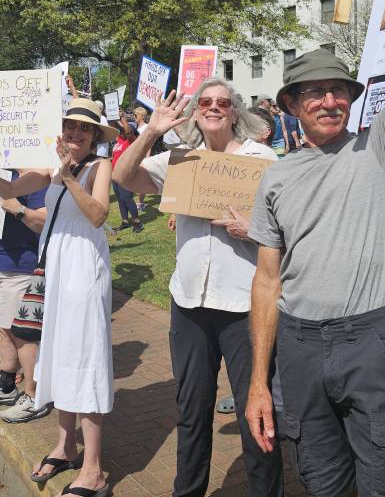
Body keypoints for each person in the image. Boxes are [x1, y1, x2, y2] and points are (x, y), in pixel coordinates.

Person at [246, 0, 385, 497]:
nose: (329, 101)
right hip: (298, 347)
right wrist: (258, 381)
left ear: (351, 99)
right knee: (322, 483)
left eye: (338, 90)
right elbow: (267, 283)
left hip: (373, 341)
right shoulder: (275, 176)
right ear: (292, 107)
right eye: (313, 93)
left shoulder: (380, 148)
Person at [114, 79, 283, 497]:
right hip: (189, 302)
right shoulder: (181, 159)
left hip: (245, 306)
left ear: (234, 111)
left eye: (222, 103)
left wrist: (250, 230)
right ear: (195, 111)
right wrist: (152, 130)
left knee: (256, 414)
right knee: (192, 410)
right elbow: (123, 176)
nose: (213, 108)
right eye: (205, 102)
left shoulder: (260, 158)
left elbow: (286, 223)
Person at [0, 98, 115, 496]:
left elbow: (99, 214)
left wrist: (69, 178)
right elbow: (12, 189)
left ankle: (94, 469)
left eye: (83, 129)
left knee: (85, 361)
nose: (75, 133)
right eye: (70, 127)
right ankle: (66, 445)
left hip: (84, 273)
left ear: (94, 136)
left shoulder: (97, 167)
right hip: (55, 271)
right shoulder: (51, 168)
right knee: (58, 356)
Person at [0, 172, 50, 423]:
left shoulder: (35, 175)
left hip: (19, 265)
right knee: (4, 330)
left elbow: (43, 220)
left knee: (24, 335)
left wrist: (16, 208)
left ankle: (34, 396)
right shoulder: (0, 174)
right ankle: (6, 386)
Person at [110, 121, 143, 233]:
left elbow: (128, 131)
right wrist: (112, 113)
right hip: (115, 174)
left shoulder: (131, 141)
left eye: (125, 131)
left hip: (125, 174)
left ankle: (137, 221)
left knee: (126, 198)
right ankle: (125, 221)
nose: (123, 132)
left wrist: (122, 118)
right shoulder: (119, 140)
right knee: (120, 198)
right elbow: (114, 125)